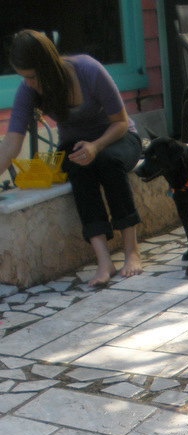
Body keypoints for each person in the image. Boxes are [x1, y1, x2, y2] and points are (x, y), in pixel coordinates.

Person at [0, 29, 143, 287]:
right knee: (79, 168)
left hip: (117, 138)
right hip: (76, 146)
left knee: (107, 162)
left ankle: (131, 251)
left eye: (31, 76)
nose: (28, 83)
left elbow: (121, 122)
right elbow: (11, 144)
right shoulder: (28, 89)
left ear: (47, 66)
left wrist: (96, 146)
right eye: (23, 77)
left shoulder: (89, 70)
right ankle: (104, 260)